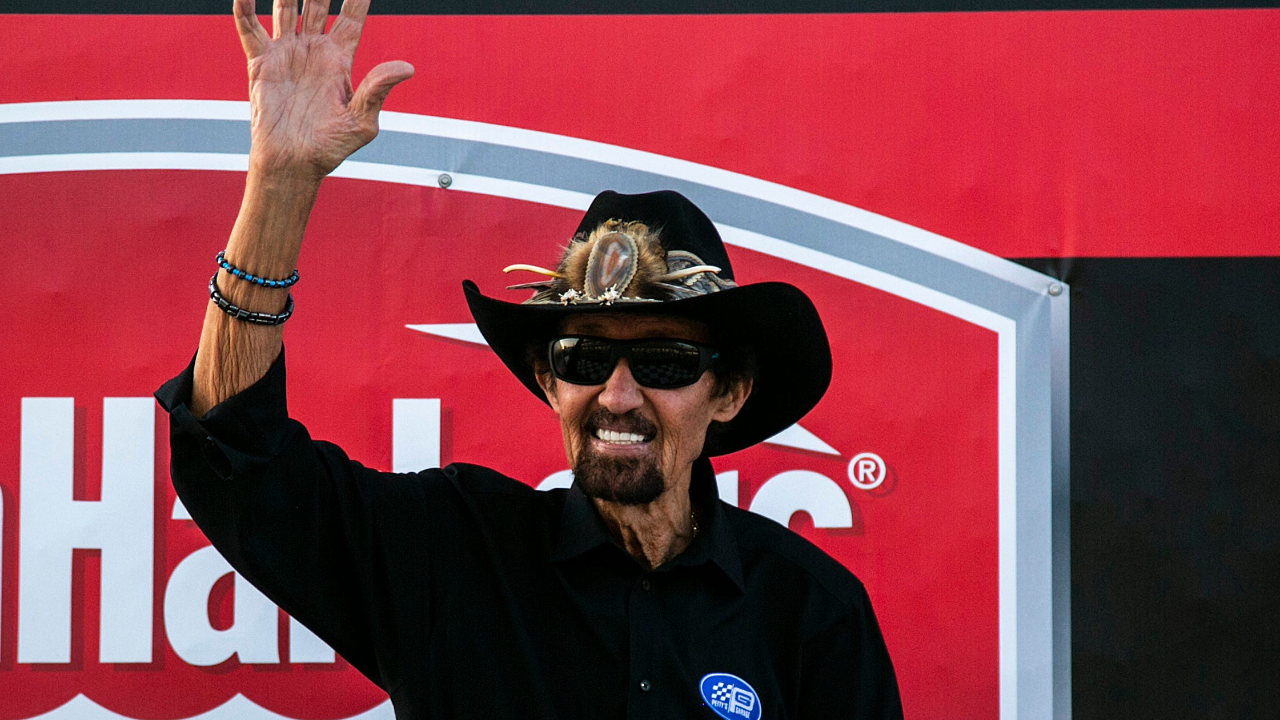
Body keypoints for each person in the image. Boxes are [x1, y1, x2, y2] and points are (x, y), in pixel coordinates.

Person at [155, 0, 903, 717]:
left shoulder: (811, 615)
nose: (616, 396)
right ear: (548, 380)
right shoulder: (451, 560)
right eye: (582, 358)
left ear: (731, 390)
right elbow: (237, 457)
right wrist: (281, 187)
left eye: (664, 363)